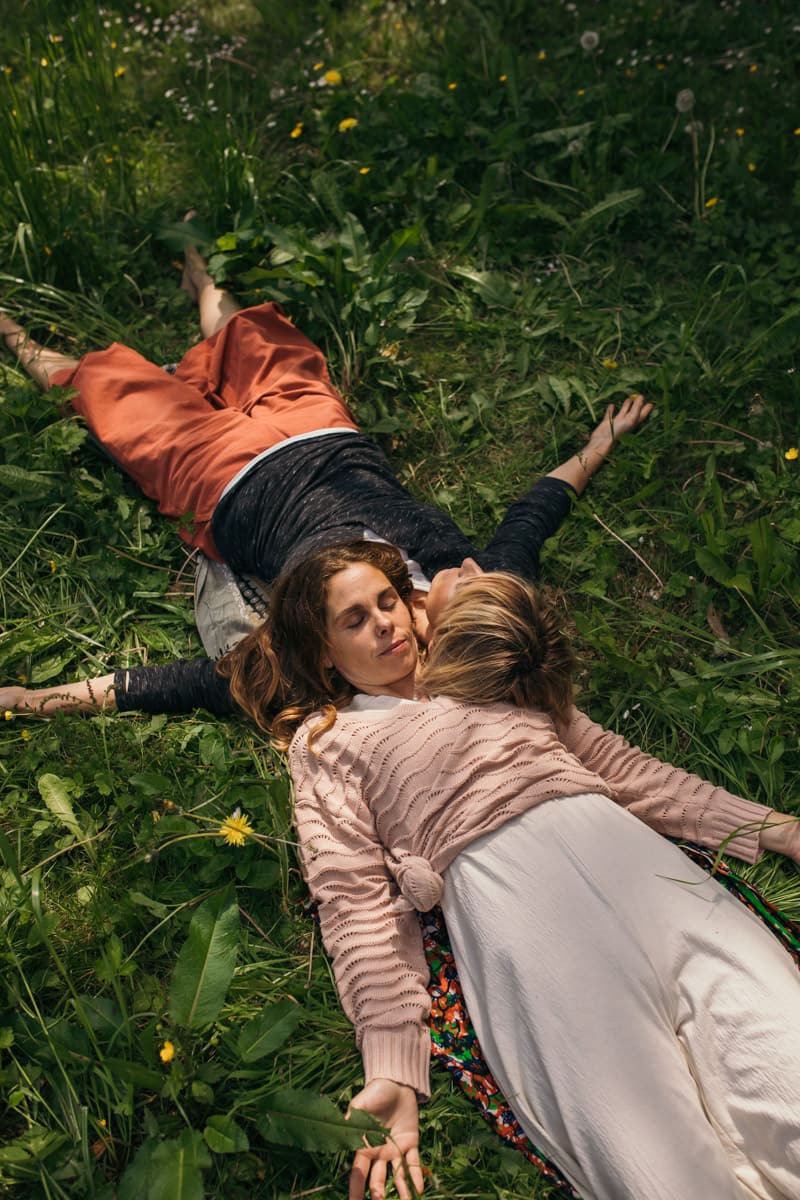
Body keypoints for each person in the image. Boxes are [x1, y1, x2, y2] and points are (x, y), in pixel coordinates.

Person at [235, 541, 798, 1200]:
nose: (384, 623)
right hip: (528, 931)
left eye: (387, 602)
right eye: (354, 619)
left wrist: (779, 829)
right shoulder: (330, 743)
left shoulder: (479, 669)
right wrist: (393, 1061)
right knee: (660, 1177)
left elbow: (622, 768)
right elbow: (353, 905)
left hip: (642, 875)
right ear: (323, 653)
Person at [0, 224, 651, 718]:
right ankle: (199, 280)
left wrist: (32, 698)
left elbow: (190, 683)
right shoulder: (495, 603)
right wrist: (600, 442)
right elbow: (531, 518)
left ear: (445, 640)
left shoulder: (358, 654)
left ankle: (12, 333)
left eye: (472, 585)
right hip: (323, 434)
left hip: (225, 480)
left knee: (98, 389)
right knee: (244, 332)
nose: (477, 566)